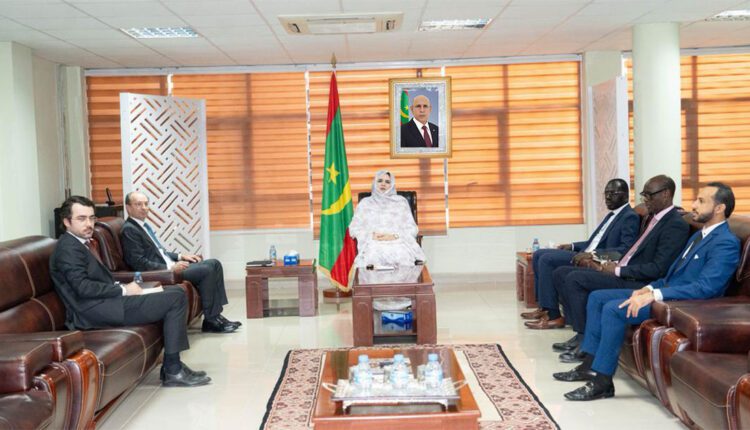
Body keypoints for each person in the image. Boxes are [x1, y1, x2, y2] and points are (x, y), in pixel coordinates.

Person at [554, 182, 740, 401]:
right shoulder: (699, 235)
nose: (693, 205)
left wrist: (655, 295)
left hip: (685, 303)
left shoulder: (726, 242)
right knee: (597, 297)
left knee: (614, 309)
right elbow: (671, 276)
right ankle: (589, 365)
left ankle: (602, 382)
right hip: (666, 293)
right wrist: (648, 287)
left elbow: (706, 288)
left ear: (719, 208)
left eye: (701, 201)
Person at [50, 196, 211, 387]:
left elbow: (98, 279)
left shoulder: (81, 243)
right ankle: (173, 370)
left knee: (175, 293)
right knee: (175, 298)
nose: (89, 224)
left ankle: (172, 366)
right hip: (93, 311)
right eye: (81, 219)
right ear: (66, 222)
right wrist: (123, 289)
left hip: (105, 303)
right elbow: (83, 288)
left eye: (92, 218)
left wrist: (129, 287)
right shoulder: (68, 249)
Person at [551, 175, 690, 362]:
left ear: (665, 194)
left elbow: (658, 268)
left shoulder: (674, 224)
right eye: (643, 195)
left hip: (638, 281)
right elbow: (632, 250)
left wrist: (617, 271)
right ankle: (581, 335)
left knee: (575, 279)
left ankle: (584, 340)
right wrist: (610, 263)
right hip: (623, 268)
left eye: (649, 195)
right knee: (563, 273)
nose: (645, 200)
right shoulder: (653, 218)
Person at [523, 178, 639, 330]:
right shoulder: (612, 215)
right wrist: (572, 246)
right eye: (606, 193)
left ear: (625, 195)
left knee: (547, 259)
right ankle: (544, 307)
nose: (608, 197)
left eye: (613, 193)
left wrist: (593, 255)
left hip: (592, 259)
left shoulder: (629, 216)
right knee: (539, 254)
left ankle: (553, 315)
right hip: (585, 253)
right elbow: (593, 242)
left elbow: (624, 249)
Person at [120, 191, 239, 334]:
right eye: (138, 204)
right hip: (164, 273)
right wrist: (169, 268)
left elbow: (160, 252)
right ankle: (211, 320)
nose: (144, 208)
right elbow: (138, 262)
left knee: (214, 264)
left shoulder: (142, 226)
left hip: (170, 266)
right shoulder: (129, 230)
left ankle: (216, 315)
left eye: (146, 204)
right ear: (128, 208)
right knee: (207, 270)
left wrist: (181, 256)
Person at [349, 170, 425, 268]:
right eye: (380, 181)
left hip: (397, 242)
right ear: (374, 183)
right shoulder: (365, 203)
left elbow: (411, 228)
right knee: (373, 255)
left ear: (392, 185)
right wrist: (372, 235)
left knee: (401, 255)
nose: (383, 184)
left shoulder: (401, 202)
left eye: (387, 182)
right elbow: (354, 228)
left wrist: (394, 236)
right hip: (373, 242)